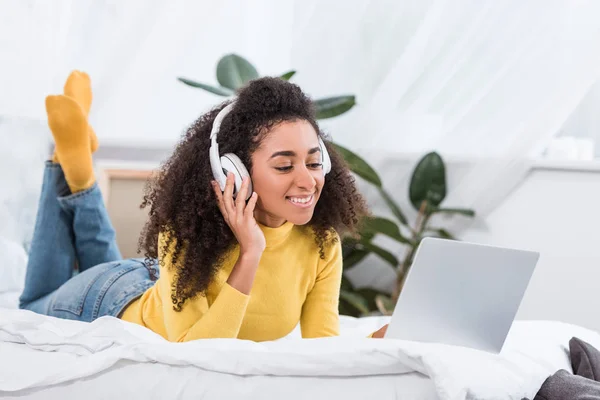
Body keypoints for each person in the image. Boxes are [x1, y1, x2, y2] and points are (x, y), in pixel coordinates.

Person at [19, 71, 389, 341]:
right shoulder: (187, 235)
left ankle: (79, 167)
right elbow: (198, 353)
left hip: (157, 283)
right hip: (112, 299)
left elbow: (320, 345)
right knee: (33, 304)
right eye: (283, 165)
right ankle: (65, 165)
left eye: (313, 162)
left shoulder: (321, 244)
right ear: (236, 171)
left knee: (102, 257)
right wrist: (251, 252)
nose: (308, 180)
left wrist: (371, 349)